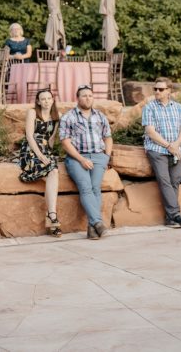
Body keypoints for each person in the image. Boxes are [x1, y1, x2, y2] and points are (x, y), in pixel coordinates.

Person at [60, 85, 112, 240]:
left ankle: (92, 228)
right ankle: (98, 222)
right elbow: (65, 141)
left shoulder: (100, 116)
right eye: (84, 96)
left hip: (98, 156)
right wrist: (81, 159)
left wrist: (106, 157)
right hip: (77, 158)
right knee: (86, 188)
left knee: (96, 188)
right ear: (78, 98)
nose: (88, 98)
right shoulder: (68, 117)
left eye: (90, 95)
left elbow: (108, 137)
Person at [142, 77, 181, 228]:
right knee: (164, 181)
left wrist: (176, 145)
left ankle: (170, 219)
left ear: (169, 91)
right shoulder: (149, 107)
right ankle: (176, 214)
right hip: (157, 150)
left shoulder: (178, 107)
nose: (157, 91)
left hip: (177, 150)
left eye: (160, 89)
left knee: (175, 182)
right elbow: (150, 132)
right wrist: (169, 145)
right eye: (155, 89)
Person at [18, 89, 61, 237]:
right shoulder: (32, 113)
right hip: (31, 150)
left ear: (53, 100)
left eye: (49, 98)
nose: (46, 101)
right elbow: (29, 136)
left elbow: (51, 141)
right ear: (38, 101)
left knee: (54, 171)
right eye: (43, 99)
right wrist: (41, 156)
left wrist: (48, 153)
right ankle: (52, 218)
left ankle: (52, 215)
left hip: (45, 150)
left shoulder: (56, 117)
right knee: (52, 169)